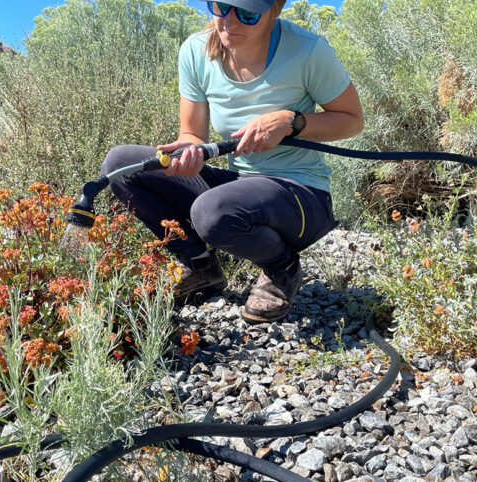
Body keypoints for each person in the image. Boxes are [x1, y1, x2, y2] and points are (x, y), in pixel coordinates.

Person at [101, 0, 363, 323]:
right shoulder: (195, 52)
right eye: (221, 6)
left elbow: (352, 120)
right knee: (121, 166)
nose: (229, 22)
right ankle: (199, 264)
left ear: (275, 9)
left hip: (302, 196)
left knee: (210, 213)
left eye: (248, 13)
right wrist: (188, 153)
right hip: (241, 189)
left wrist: (291, 121)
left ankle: (283, 268)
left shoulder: (308, 51)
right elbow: (192, 134)